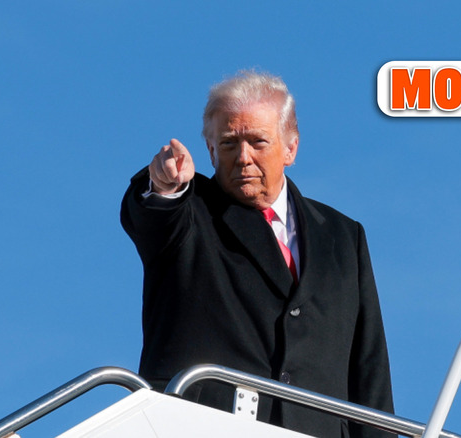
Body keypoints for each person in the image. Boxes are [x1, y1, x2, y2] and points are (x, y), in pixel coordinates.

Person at [120, 70, 394, 438]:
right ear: (211, 150)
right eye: (230, 144)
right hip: (201, 426)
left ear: (291, 147)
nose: (244, 157)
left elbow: (368, 366)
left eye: (258, 142)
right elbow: (152, 215)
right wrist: (163, 184)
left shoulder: (343, 236)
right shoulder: (189, 209)